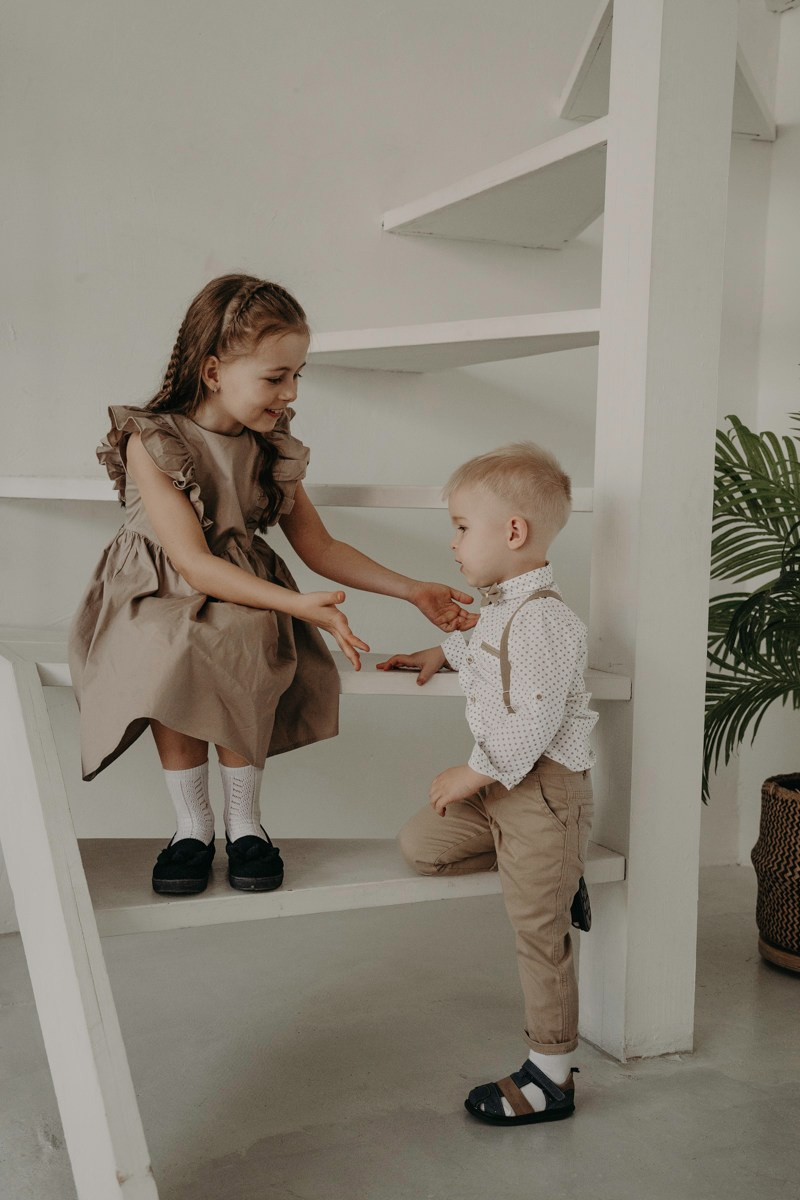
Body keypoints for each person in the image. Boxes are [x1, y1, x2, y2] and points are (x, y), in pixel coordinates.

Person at [69, 274, 476, 896]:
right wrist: (300, 605)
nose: (290, 393)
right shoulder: (154, 441)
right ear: (213, 372)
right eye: (275, 377)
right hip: (157, 586)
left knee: (248, 633)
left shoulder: (268, 447)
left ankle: (245, 823)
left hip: (243, 589)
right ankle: (191, 827)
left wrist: (410, 588)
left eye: (297, 376)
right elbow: (193, 563)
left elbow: (320, 547)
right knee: (166, 645)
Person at [377, 442, 598, 1126]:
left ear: (514, 532)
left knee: (537, 933)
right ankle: (556, 872)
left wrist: (472, 772)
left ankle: (550, 1076)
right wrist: (440, 652)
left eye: (462, 527)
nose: (453, 543)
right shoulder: (502, 608)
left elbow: (535, 718)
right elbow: (483, 647)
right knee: (423, 845)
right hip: (505, 791)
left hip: (542, 792)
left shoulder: (546, 619)